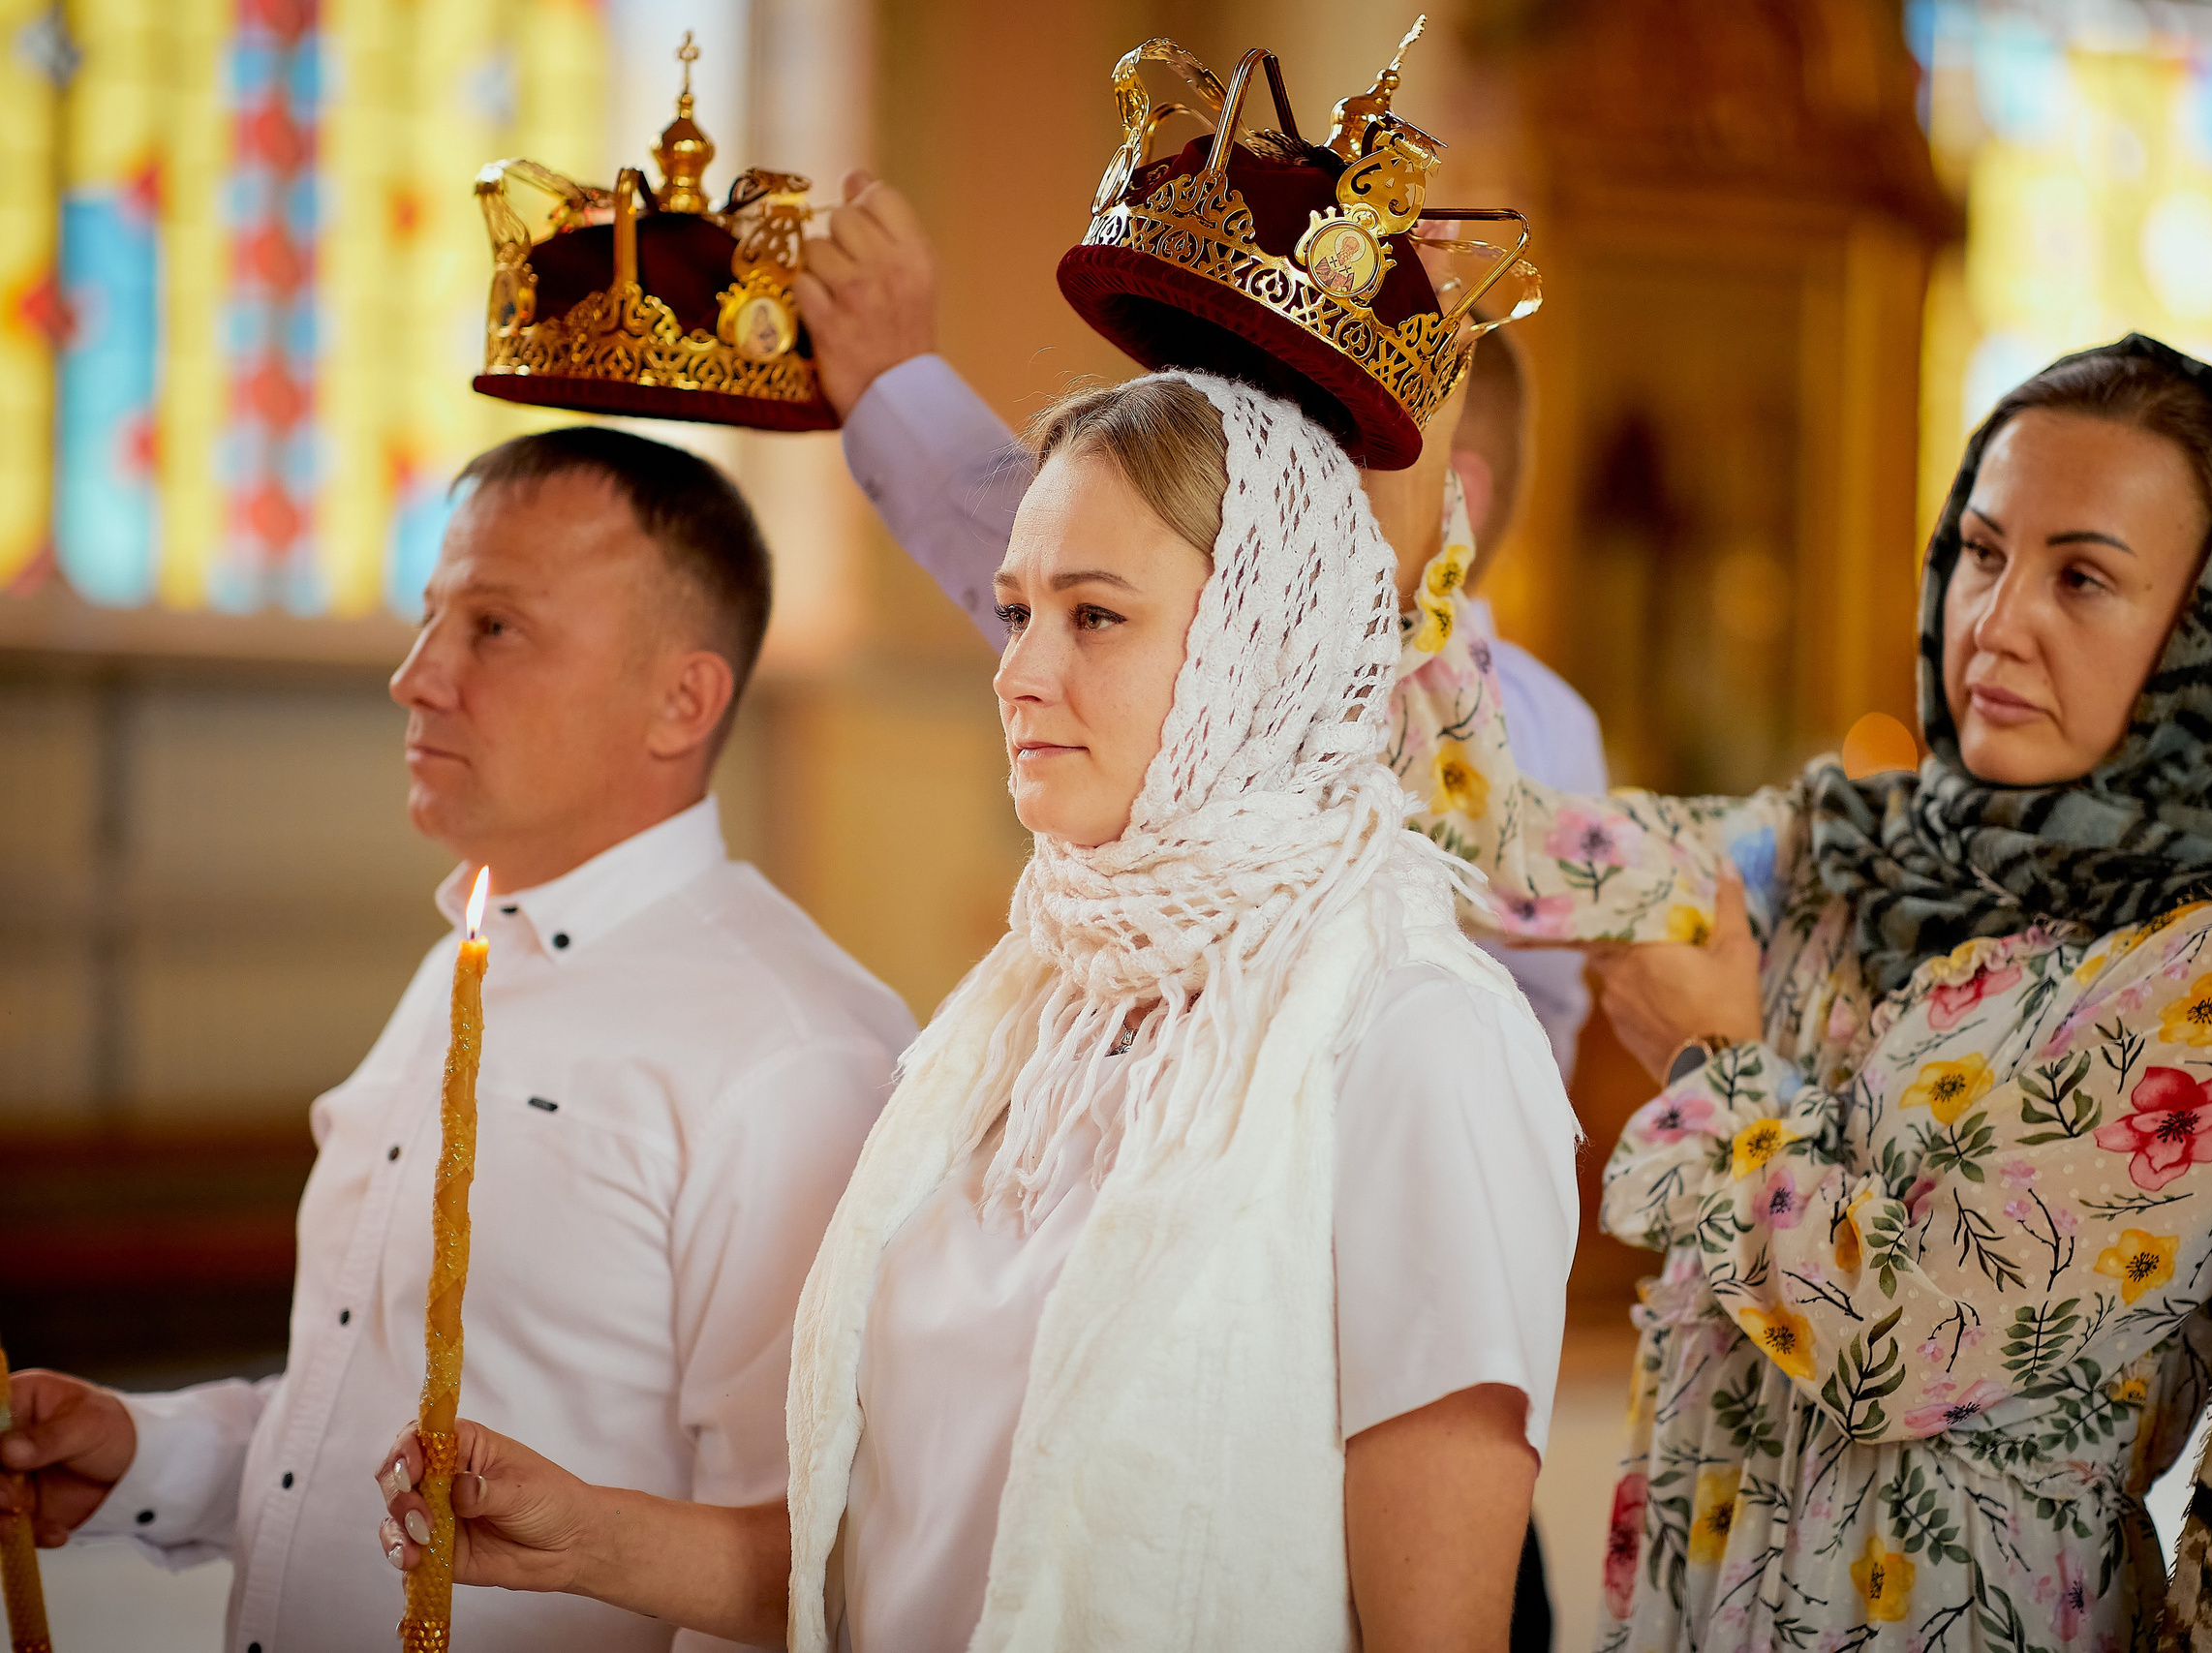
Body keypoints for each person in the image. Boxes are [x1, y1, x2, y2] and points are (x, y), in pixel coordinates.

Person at [370, 374, 1581, 1653]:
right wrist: (590, 1534)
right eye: (1015, 611)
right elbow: (904, 1557)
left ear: (1263, 648)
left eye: (1095, 615)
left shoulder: (1412, 1031)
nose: (1021, 672)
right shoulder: (1028, 1009)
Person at [1385, 334, 2212, 1649]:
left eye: (2082, 576)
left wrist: (1718, 1061)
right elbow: (1485, 844)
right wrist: (1407, 507)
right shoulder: (1839, 849)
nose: (1997, 617)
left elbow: (1902, 1335)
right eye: (1982, 551)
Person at [0, 429, 917, 1653]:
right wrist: (143, 1454)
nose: (417, 675)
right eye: (432, 615)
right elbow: (367, 1408)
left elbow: (813, 1565)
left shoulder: (792, 1052)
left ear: (681, 699)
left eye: (495, 627)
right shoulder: (466, 963)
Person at [795, 169, 1610, 1082]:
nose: (1224, 492)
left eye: (1275, 463)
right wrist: (892, 386)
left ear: (1440, 495)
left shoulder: (1507, 745)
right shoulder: (1185, 643)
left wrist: (897, 385)